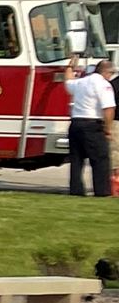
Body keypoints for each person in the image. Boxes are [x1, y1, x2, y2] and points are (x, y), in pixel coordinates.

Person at [63, 52, 113, 197]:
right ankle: (102, 191)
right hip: (92, 124)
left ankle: (76, 190)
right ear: (106, 72)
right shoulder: (104, 85)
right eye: (111, 73)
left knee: (76, 159)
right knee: (100, 159)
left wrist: (70, 67)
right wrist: (107, 129)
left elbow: (68, 82)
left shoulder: (81, 82)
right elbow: (109, 108)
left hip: (76, 123)